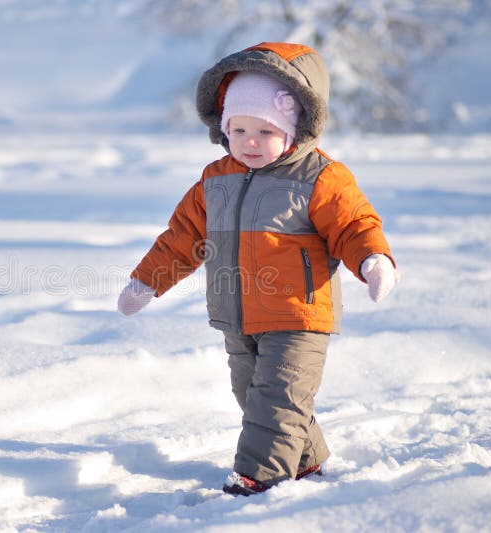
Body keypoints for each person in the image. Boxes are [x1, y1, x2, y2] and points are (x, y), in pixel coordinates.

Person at [116, 42, 399, 496]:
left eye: (264, 131)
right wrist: (148, 280)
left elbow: (353, 224)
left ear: (295, 128)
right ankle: (306, 461)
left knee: (276, 399)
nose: (249, 141)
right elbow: (183, 237)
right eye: (238, 128)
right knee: (252, 396)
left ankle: (259, 475)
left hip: (298, 315)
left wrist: (372, 259)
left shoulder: (319, 177)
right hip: (238, 316)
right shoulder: (215, 179)